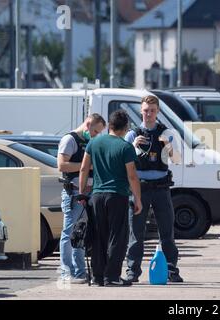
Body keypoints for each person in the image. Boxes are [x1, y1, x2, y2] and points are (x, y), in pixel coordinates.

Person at [79, 110, 142, 287]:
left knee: (99, 236)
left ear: (111, 125)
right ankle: (112, 276)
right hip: (117, 195)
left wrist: (82, 192)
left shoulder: (94, 142)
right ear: (126, 127)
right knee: (117, 237)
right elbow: (132, 176)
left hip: (97, 196)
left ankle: (98, 277)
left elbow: (84, 168)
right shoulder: (126, 147)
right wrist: (138, 199)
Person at [124, 95, 183, 283]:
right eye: (146, 110)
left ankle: (171, 270)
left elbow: (176, 160)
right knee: (136, 231)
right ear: (141, 111)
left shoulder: (166, 133)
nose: (149, 114)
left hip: (161, 188)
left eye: (152, 110)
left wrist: (167, 145)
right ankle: (132, 271)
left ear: (157, 111)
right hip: (139, 189)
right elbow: (123, 162)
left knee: (167, 231)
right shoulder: (133, 134)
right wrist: (133, 147)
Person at [57, 113, 106, 283]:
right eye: (95, 131)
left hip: (89, 193)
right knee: (69, 232)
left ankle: (80, 272)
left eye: (98, 133)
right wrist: (87, 166)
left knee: (82, 232)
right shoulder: (70, 140)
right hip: (74, 192)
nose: (95, 135)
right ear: (87, 124)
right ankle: (66, 272)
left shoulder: (90, 142)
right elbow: (62, 165)